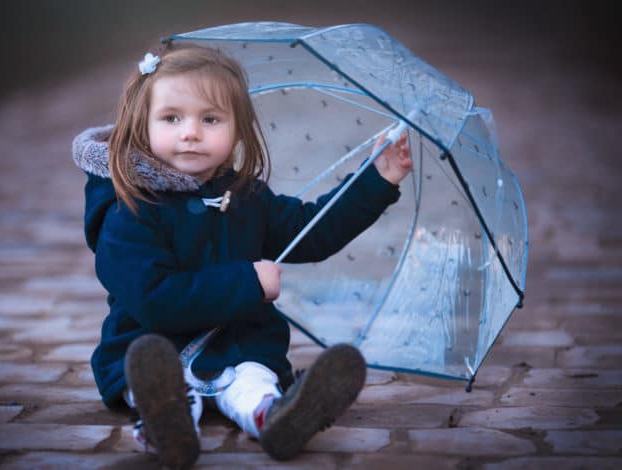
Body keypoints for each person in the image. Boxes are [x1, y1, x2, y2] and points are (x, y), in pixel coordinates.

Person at [72, 42, 413, 469]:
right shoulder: (130, 209)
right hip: (150, 347)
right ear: (142, 124)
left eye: (210, 119)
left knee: (253, 379)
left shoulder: (246, 196)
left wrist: (377, 179)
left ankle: (277, 417)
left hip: (237, 347)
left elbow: (311, 230)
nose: (190, 132)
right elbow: (153, 298)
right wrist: (249, 283)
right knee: (153, 378)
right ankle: (167, 423)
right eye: (172, 118)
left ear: (237, 129)